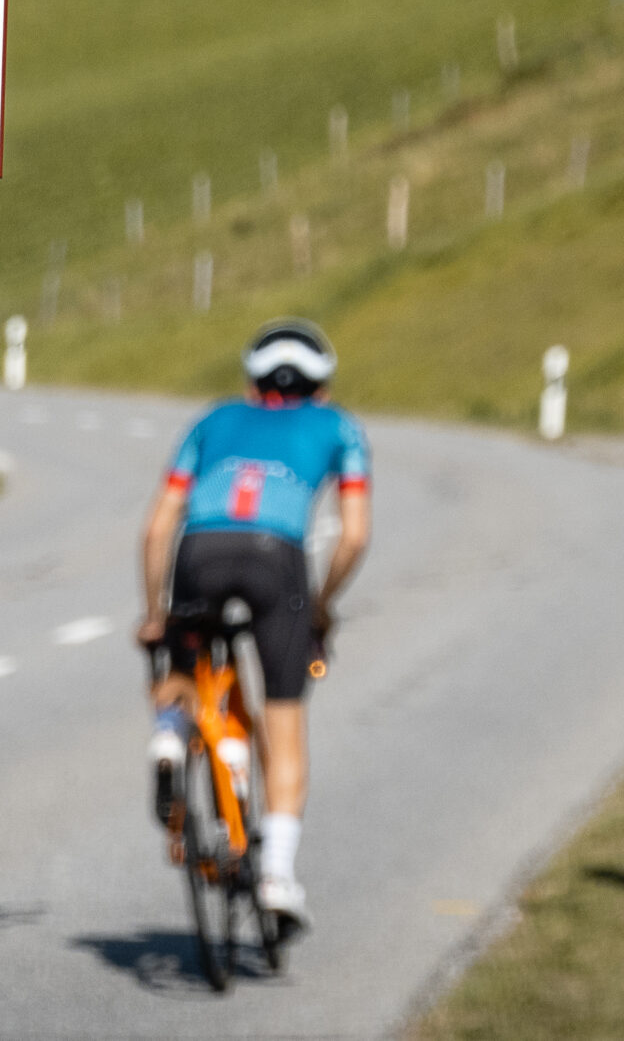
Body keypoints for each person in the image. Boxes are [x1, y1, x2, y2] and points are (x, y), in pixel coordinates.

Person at [137, 318, 370, 931]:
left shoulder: (211, 421)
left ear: (251, 381)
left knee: (181, 665)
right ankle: (277, 876)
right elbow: (354, 536)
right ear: (321, 385)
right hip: (278, 562)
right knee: (285, 720)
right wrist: (321, 601)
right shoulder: (338, 425)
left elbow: (158, 527)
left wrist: (155, 614)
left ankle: (168, 731)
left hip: (199, 553)